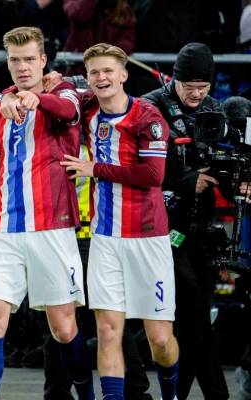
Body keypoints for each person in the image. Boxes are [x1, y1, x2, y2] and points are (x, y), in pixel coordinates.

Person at [0, 26, 94, 400]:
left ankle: (87, 396)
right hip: (3, 228)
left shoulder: (63, 93)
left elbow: (69, 109)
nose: (22, 67)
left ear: (43, 61)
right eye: (14, 60)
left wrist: (35, 98)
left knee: (64, 327)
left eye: (28, 59)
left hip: (52, 228)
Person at [60, 43, 180, 400]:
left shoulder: (148, 117)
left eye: (108, 71)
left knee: (160, 340)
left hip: (148, 239)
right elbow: (56, 92)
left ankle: (171, 395)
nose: (101, 78)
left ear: (124, 75)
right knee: (108, 331)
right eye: (94, 72)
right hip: (105, 239)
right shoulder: (88, 107)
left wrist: (94, 169)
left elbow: (153, 175)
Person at [142, 42, 229, 400]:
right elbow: (138, 169)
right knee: (195, 315)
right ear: (173, 79)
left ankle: (175, 395)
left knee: (195, 320)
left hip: (204, 228)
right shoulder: (149, 107)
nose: (197, 94)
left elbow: (227, 158)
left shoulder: (215, 110)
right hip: (163, 228)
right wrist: (184, 181)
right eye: (189, 86)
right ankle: (217, 395)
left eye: (203, 86)